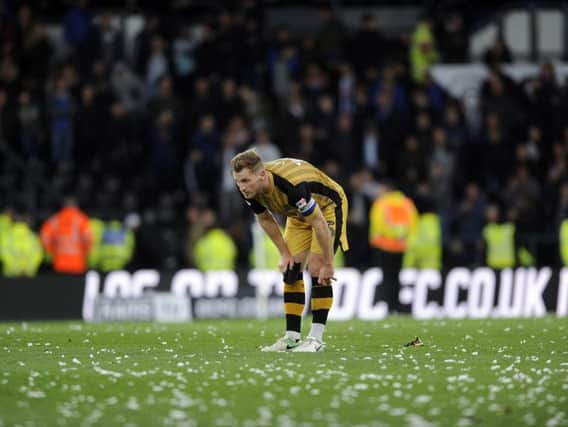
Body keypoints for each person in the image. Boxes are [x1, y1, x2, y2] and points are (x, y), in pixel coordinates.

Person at [231, 148, 349, 352]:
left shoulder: (292, 186)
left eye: (245, 181)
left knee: (316, 268)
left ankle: (316, 339)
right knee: (291, 269)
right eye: (239, 181)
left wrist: (328, 265)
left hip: (328, 207)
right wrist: (284, 253)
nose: (241, 187)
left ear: (261, 175)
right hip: (298, 214)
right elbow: (265, 217)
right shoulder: (251, 188)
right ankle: (292, 338)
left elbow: (319, 223)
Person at [40, 196, 93, 274]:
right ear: (76, 206)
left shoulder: (55, 219)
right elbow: (88, 238)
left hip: (59, 262)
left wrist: (53, 251)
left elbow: (44, 237)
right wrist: (84, 253)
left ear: (63, 206)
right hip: (77, 263)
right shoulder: (81, 219)